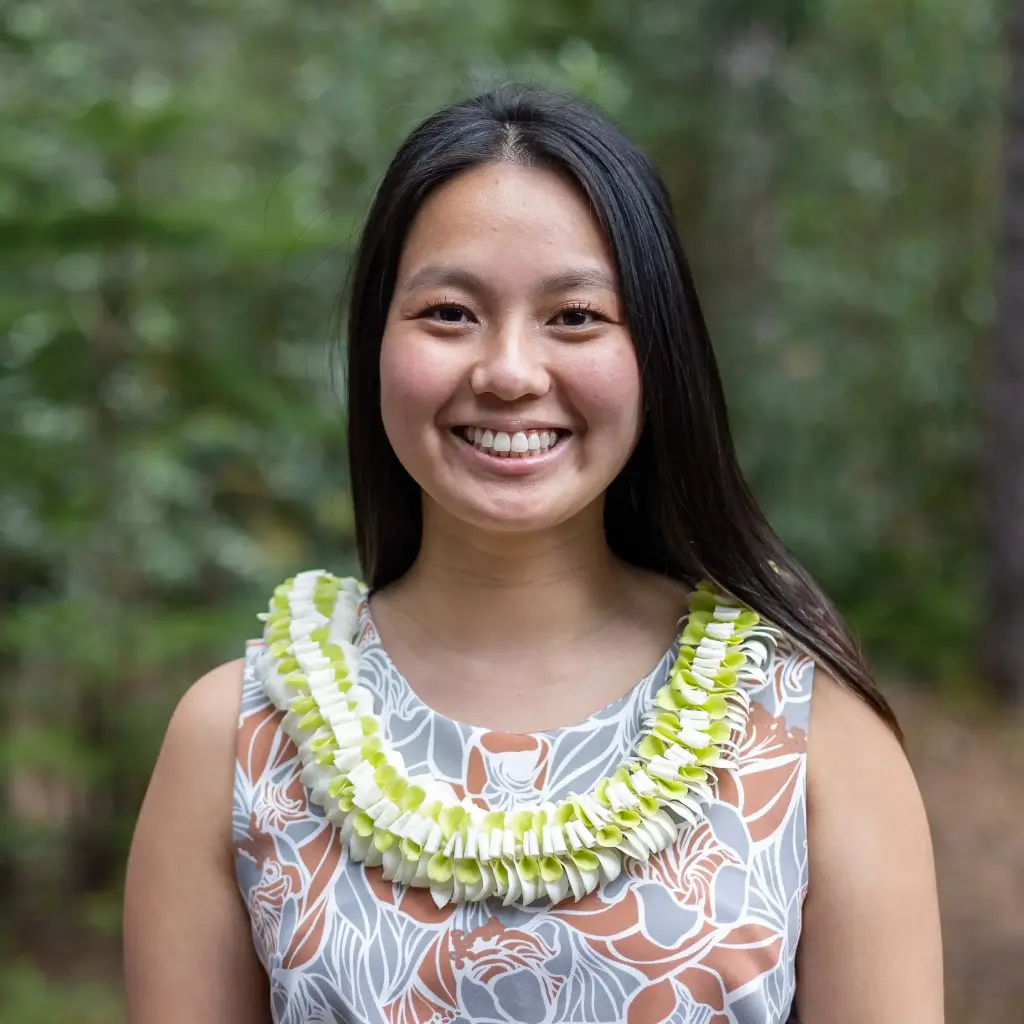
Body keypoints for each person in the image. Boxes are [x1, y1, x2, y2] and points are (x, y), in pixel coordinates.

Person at [123, 84, 944, 1024]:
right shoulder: (235, 742)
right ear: (374, 341)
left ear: (657, 354)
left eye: (575, 317)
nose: (509, 372)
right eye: (448, 312)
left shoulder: (811, 734)